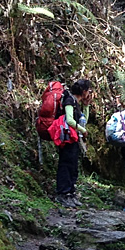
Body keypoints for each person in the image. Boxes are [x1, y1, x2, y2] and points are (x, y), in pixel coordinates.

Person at [54, 78, 93, 207]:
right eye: (88, 90)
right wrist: (83, 130)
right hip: (67, 138)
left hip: (73, 138)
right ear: (83, 91)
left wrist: (86, 106)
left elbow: (83, 121)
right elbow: (70, 120)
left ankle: (70, 192)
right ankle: (62, 193)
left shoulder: (76, 103)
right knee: (66, 164)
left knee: (73, 165)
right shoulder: (69, 100)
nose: (89, 93)